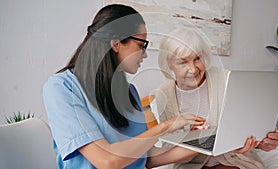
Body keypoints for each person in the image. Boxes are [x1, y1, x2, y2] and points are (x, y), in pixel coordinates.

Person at [43, 4, 209, 169]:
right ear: (116, 44)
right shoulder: (61, 88)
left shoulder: (129, 93)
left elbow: (147, 158)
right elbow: (107, 161)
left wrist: (206, 142)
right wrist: (165, 127)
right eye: (141, 45)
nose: (144, 54)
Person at [154, 27, 278, 169]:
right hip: (191, 165)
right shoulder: (163, 95)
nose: (193, 69)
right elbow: (168, 149)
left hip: (232, 159)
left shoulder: (227, 79)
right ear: (169, 64)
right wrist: (192, 140)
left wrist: (263, 139)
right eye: (182, 62)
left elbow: (250, 122)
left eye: (197, 58)